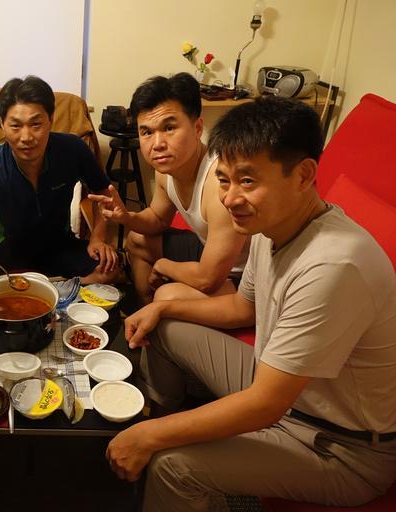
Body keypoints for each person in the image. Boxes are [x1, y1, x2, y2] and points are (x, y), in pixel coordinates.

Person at [106, 96, 396, 510]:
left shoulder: (335, 264)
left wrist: (152, 438)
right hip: (283, 386)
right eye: (223, 180)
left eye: (247, 181)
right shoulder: (268, 227)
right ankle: (157, 413)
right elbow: (243, 309)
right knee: (164, 325)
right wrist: (160, 308)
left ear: (303, 175)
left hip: (339, 446)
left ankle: (160, 443)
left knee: (172, 465)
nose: (229, 199)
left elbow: (266, 405)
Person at [0, 75, 119, 283]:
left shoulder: (73, 150)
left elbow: (104, 192)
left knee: (110, 267)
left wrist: (98, 238)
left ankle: (58, 293)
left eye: (36, 124)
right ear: (3, 125)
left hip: (57, 245)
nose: (26, 137)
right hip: (3, 249)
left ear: (50, 120)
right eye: (16, 126)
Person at [89, 73, 249, 304]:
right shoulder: (166, 170)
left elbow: (208, 279)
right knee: (136, 240)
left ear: (197, 128)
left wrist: (164, 266)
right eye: (147, 132)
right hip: (208, 249)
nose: (157, 144)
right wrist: (126, 217)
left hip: (244, 274)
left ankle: (156, 311)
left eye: (169, 128)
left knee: (168, 296)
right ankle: (145, 309)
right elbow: (157, 219)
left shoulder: (220, 184)